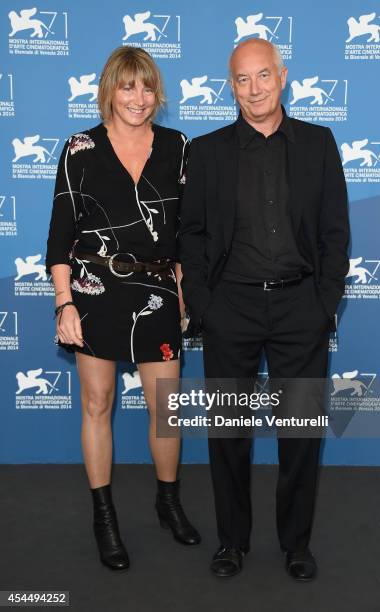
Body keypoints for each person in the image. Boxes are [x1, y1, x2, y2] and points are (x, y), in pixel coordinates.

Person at [179, 38, 349, 580]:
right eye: (242, 79)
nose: (254, 89)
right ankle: (232, 542)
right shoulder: (206, 152)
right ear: (231, 86)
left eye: (263, 76)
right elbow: (193, 235)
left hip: (302, 307)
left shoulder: (319, 144)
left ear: (283, 76)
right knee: (229, 433)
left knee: (300, 434)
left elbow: (334, 233)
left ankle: (296, 544)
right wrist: (205, 306)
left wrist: (324, 302)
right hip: (233, 309)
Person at [46, 46, 200, 571]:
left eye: (148, 87)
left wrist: (182, 287)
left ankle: (168, 501)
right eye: (128, 86)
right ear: (110, 88)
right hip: (93, 291)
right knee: (97, 403)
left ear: (158, 93)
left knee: (166, 409)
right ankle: (104, 516)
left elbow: (185, 233)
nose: (139, 98)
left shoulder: (179, 147)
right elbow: (60, 235)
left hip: (157, 291)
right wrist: (63, 302)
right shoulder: (81, 148)